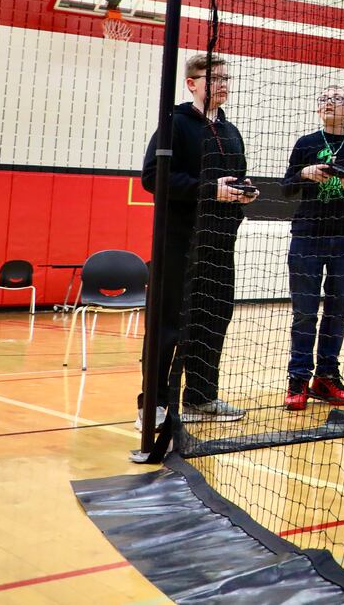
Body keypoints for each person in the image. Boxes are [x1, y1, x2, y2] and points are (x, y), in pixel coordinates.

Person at [138, 52, 255, 426]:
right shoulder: (175, 123)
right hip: (177, 245)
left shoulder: (231, 131)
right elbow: (153, 178)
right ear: (192, 83)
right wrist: (209, 189)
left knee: (212, 320)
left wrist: (242, 193)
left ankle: (201, 398)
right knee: (168, 324)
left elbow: (231, 182)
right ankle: (153, 406)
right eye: (214, 78)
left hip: (219, 245)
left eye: (226, 78)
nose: (223, 84)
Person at [280, 86, 344, 410]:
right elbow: (286, 188)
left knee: (338, 311)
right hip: (307, 236)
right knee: (304, 313)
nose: (327, 102)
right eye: (322, 98)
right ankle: (298, 380)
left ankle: (326, 377)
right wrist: (304, 173)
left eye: (335, 99)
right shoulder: (306, 144)